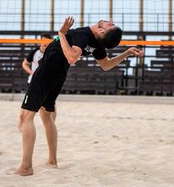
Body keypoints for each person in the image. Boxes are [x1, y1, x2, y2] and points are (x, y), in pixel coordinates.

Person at [15, 16, 144, 176]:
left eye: (111, 24)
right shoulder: (97, 42)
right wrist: (127, 53)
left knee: (26, 117)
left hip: (46, 72)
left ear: (102, 30)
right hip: (58, 75)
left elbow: (71, 56)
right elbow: (106, 65)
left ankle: (26, 167)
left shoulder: (83, 35)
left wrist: (61, 33)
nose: (110, 21)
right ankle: (52, 161)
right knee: (46, 116)